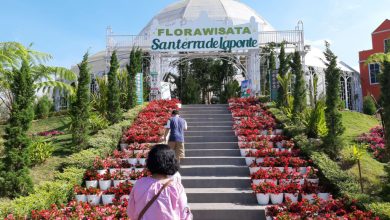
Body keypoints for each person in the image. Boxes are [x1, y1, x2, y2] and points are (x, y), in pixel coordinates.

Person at [127, 144, 192, 220]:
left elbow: (131, 211)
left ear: (150, 162)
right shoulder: (176, 187)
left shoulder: (139, 184)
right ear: (172, 162)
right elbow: (184, 214)